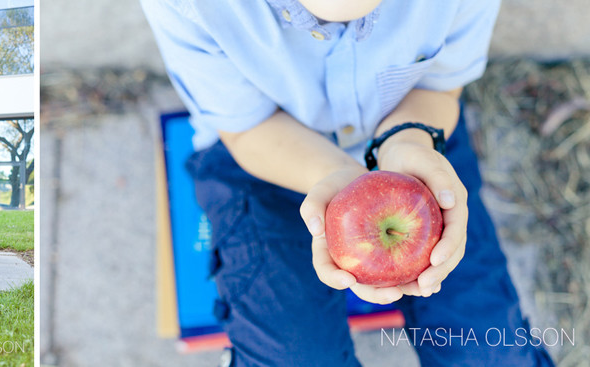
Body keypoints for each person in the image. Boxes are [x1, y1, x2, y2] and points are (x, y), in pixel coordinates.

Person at [141, 0, 555, 365]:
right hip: (263, 156)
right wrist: (336, 179)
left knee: (490, 354)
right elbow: (247, 131)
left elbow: (438, 90)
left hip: (412, 143)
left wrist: (406, 143)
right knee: (296, 358)